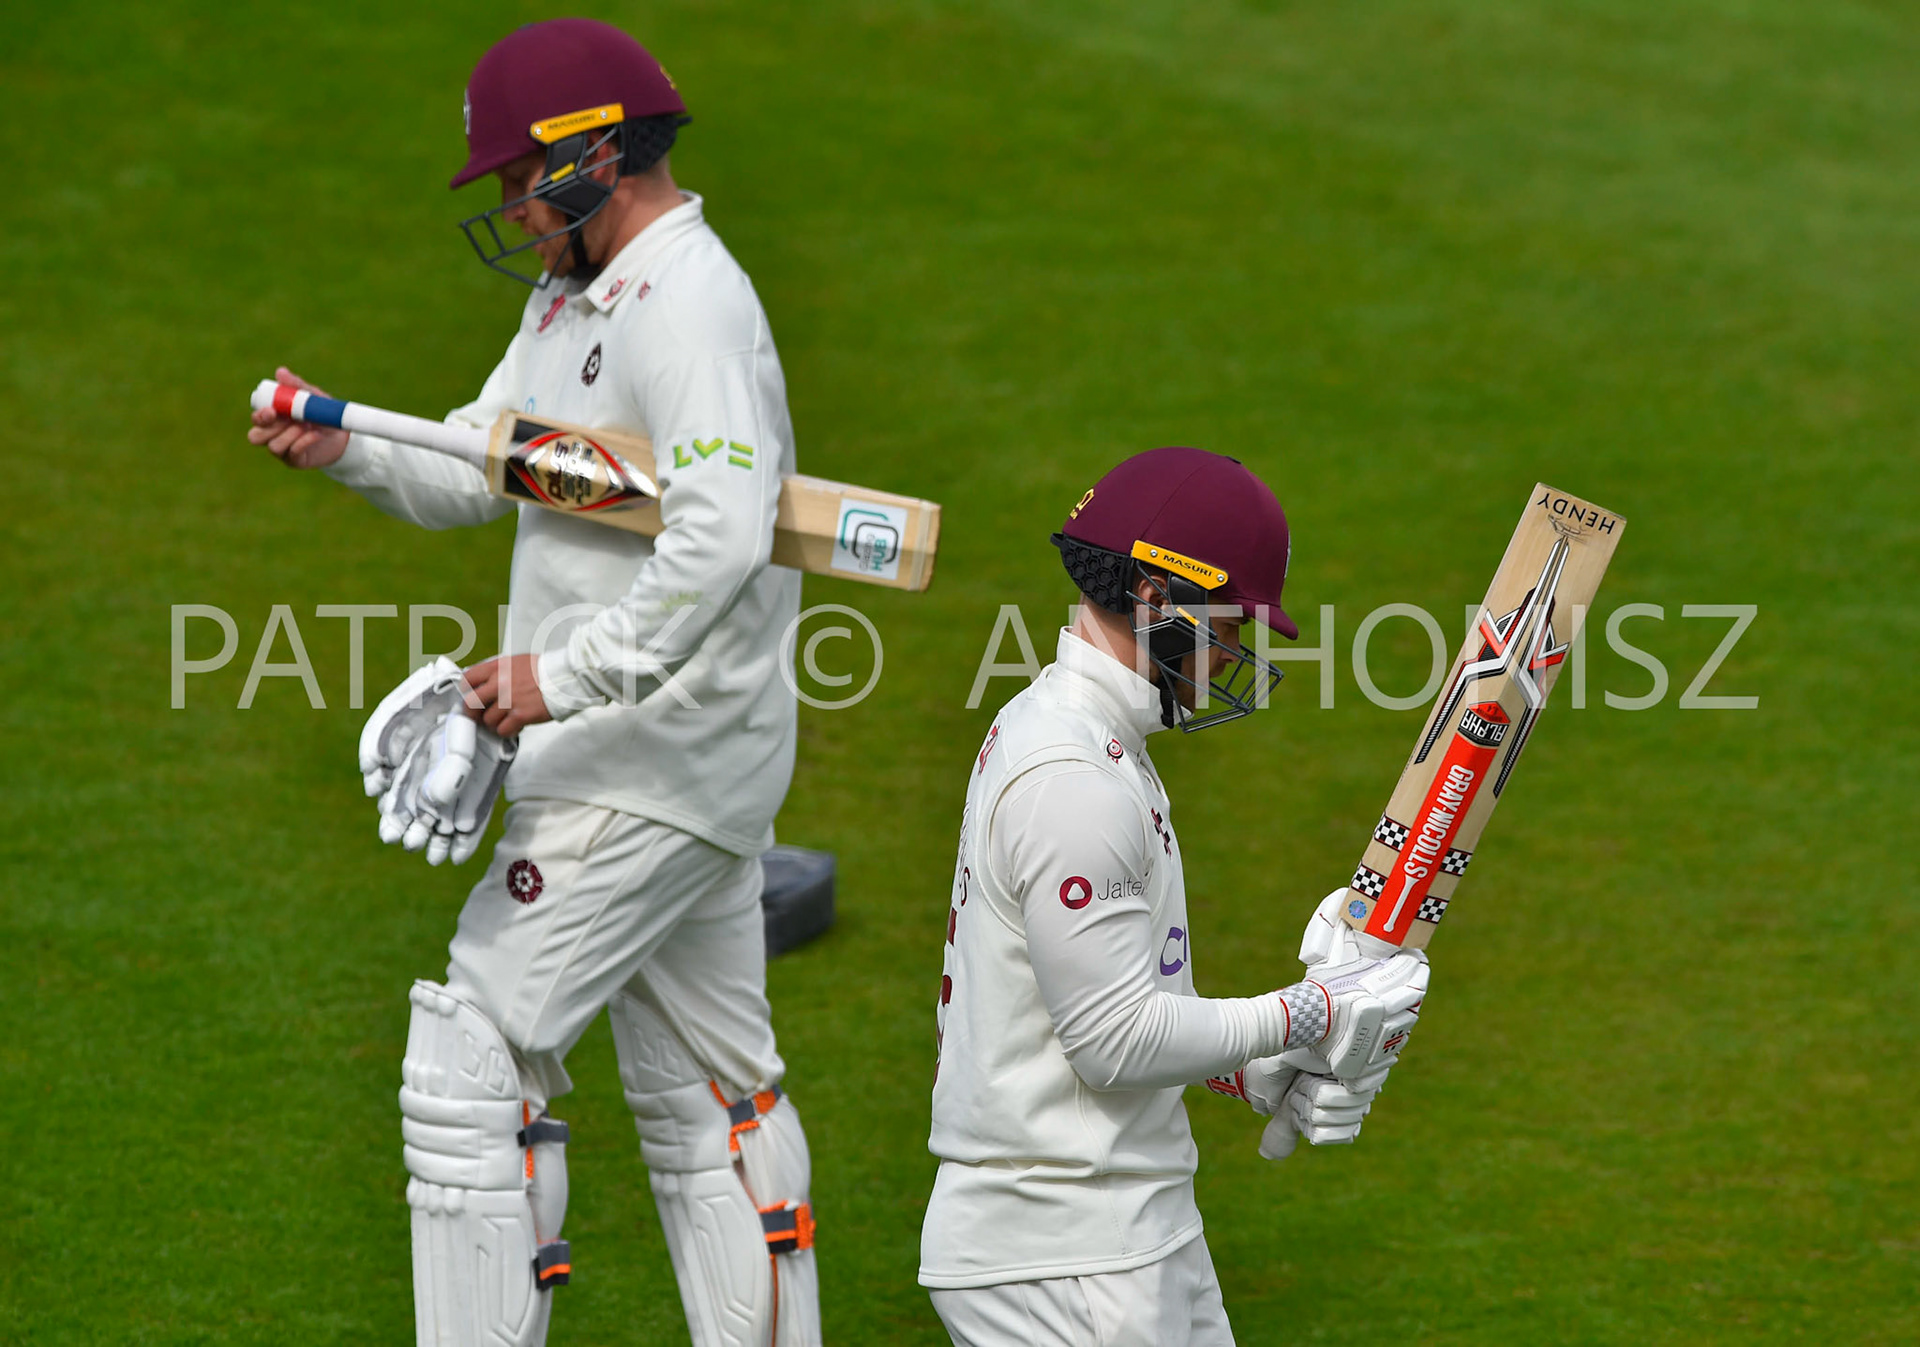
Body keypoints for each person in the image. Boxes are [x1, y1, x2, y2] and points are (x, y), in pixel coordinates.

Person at [247, 19, 818, 1347]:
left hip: (645, 761)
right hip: (656, 760)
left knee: (472, 1059)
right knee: (713, 1105)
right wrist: (344, 447)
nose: (510, 207)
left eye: (519, 180)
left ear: (593, 158)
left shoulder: (690, 307)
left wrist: (563, 677)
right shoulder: (573, 296)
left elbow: (718, 539)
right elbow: (480, 464)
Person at [921, 447, 1431, 1345]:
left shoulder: (1090, 740)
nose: (1232, 652)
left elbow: (1116, 1008)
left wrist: (1251, 1069)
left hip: (1122, 1230)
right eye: (1228, 624)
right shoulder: (1073, 779)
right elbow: (1113, 1041)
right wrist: (1312, 1010)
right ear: (1156, 596)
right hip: (1067, 1255)